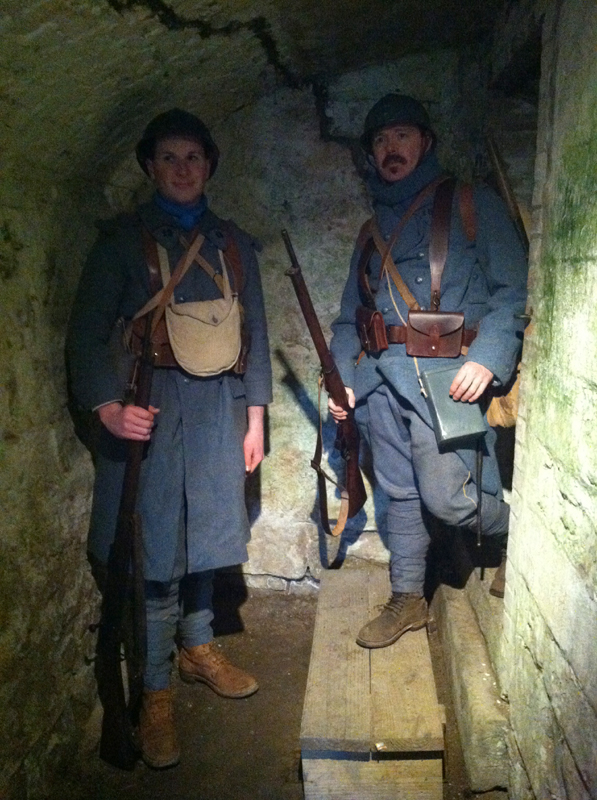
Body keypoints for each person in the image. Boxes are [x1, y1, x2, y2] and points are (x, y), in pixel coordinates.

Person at [67, 109, 272, 768]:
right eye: (168, 158)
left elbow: (257, 335)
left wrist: (257, 417)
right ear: (150, 168)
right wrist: (105, 408)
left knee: (209, 537)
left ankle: (199, 648)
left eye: (193, 158)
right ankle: (155, 691)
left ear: (208, 166)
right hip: (149, 406)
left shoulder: (233, 243)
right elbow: (85, 332)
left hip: (218, 409)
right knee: (156, 553)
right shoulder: (122, 242)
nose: (182, 169)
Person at [328, 93, 527, 649]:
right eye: (381, 141)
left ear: (426, 143)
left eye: (403, 137)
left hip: (447, 379)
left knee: (448, 497)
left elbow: (513, 292)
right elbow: (350, 317)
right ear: (372, 153)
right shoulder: (371, 231)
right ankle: (408, 598)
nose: (392, 150)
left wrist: (488, 358)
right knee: (400, 495)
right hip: (380, 383)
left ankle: (521, 535)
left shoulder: (471, 203)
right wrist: (342, 376)